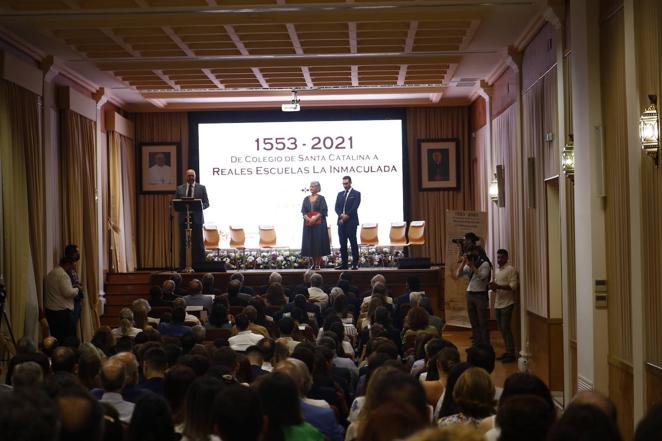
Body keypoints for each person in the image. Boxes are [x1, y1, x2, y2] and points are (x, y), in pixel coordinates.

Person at [455, 245, 491, 346]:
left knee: (482, 322)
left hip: (480, 295)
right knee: (473, 321)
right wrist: (463, 263)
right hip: (470, 294)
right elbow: (458, 274)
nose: (470, 258)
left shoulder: (485, 264)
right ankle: (477, 343)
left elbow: (483, 277)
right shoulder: (469, 264)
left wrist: (473, 267)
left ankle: (485, 345)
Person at [489, 249, 519, 363]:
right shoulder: (497, 270)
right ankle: (507, 351)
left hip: (508, 303)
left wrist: (499, 286)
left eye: (501, 257)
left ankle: (511, 354)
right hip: (498, 303)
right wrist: (493, 287)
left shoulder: (511, 269)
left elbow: (513, 287)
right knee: (501, 329)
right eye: (497, 257)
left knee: (506, 329)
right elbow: (497, 286)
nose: (498, 259)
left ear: (506, 257)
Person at [175, 168, 210, 267]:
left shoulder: (201, 188)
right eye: (189, 175)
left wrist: (199, 206)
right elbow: (176, 203)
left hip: (197, 219)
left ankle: (200, 266)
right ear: (186, 177)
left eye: (192, 175)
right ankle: (182, 266)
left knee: (198, 244)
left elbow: (207, 203)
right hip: (184, 219)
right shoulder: (180, 188)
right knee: (183, 244)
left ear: (195, 176)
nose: (191, 177)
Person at [44, 256, 80, 343]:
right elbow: (68, 293)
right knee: (68, 340)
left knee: (56, 338)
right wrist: (77, 289)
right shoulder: (63, 275)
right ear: (67, 264)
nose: (72, 270)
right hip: (63, 313)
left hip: (51, 311)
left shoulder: (51, 273)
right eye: (71, 266)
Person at [301, 180, 330, 270]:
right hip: (309, 224)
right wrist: (308, 218)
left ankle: (318, 264)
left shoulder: (321, 198)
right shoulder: (306, 198)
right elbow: (303, 211)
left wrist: (315, 218)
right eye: (310, 186)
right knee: (311, 243)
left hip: (319, 225)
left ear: (318, 188)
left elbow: (323, 210)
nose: (311, 188)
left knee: (318, 243)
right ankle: (313, 263)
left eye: (313, 186)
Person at [334, 175, 361, 270]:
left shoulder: (356, 193)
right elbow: (336, 207)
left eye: (346, 183)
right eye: (343, 184)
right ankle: (344, 264)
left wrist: (347, 216)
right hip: (341, 222)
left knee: (353, 243)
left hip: (351, 222)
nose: (344, 185)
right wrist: (341, 215)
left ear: (350, 183)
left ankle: (355, 264)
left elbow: (355, 207)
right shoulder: (339, 194)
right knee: (342, 244)